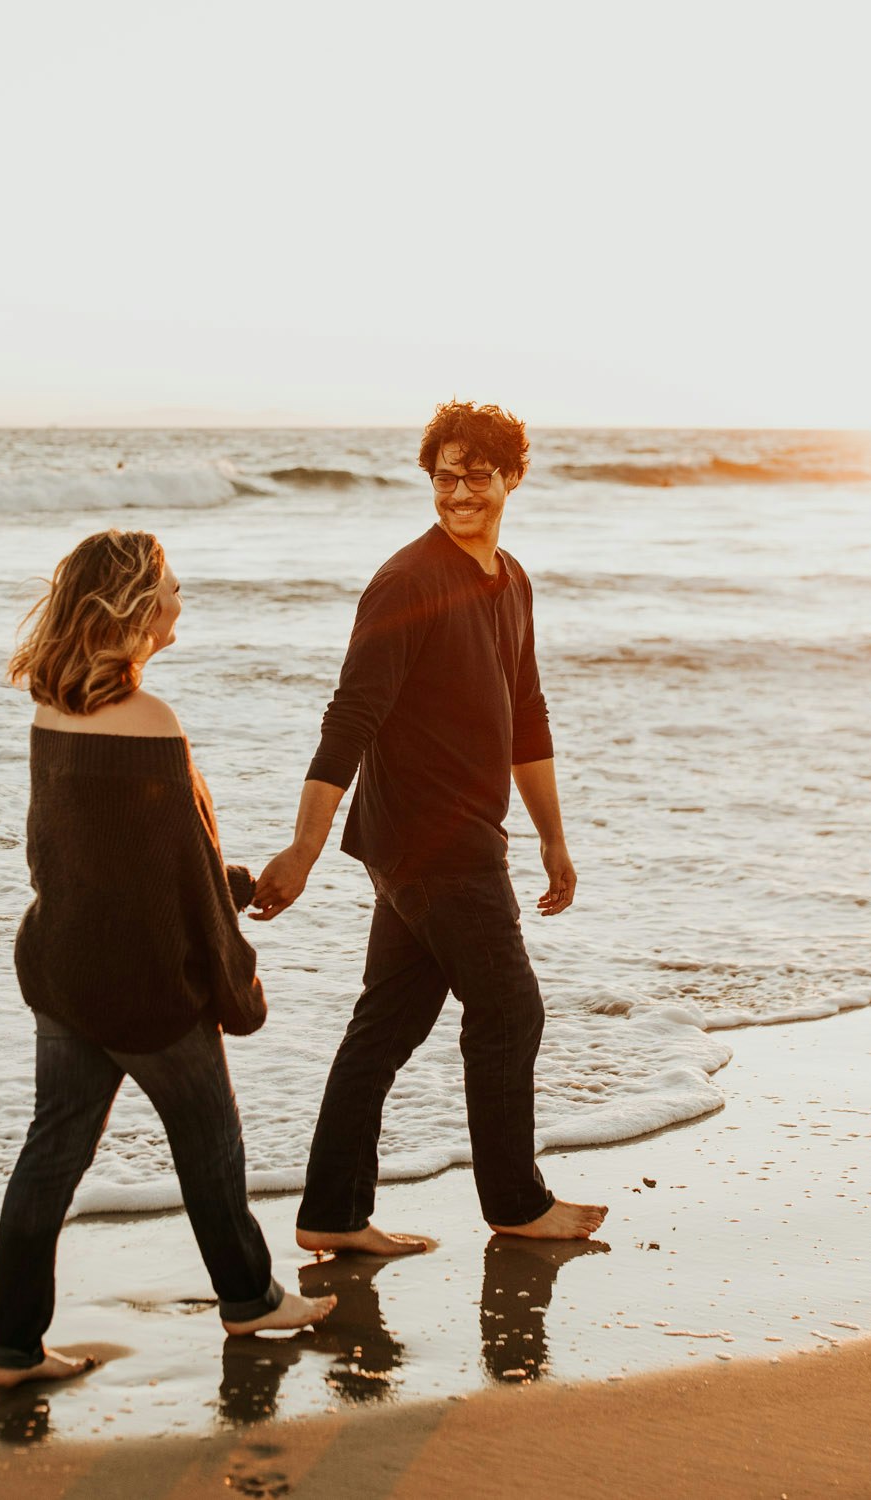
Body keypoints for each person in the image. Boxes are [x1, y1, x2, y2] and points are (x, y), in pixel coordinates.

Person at [0, 528, 336, 1390]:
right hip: (144, 986)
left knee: (51, 1155)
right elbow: (182, 877)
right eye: (171, 587)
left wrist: (227, 883)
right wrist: (238, 941)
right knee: (211, 1147)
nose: (181, 600)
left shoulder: (51, 710)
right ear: (136, 605)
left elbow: (82, 856)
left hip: (63, 970)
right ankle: (250, 1299)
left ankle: (11, 1348)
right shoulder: (151, 721)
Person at [254, 401, 608, 1253]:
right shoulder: (407, 582)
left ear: (512, 477)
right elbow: (351, 717)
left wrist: (554, 836)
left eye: (477, 476)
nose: (459, 493)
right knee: (510, 1011)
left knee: (386, 1027)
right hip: (431, 841)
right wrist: (304, 846)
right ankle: (515, 1203)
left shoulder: (510, 579)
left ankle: (332, 1214)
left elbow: (526, 713)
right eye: (445, 477)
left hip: (443, 837)